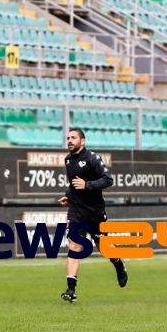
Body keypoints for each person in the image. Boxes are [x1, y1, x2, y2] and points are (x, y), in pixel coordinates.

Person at [57, 127, 126, 303]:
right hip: (76, 212)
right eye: (68, 138)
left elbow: (108, 179)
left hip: (95, 212)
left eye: (73, 138)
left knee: (103, 247)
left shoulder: (92, 158)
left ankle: (118, 263)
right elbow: (73, 184)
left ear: (83, 141)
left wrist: (88, 185)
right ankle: (71, 290)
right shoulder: (68, 160)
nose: (70, 140)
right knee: (74, 246)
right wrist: (69, 196)